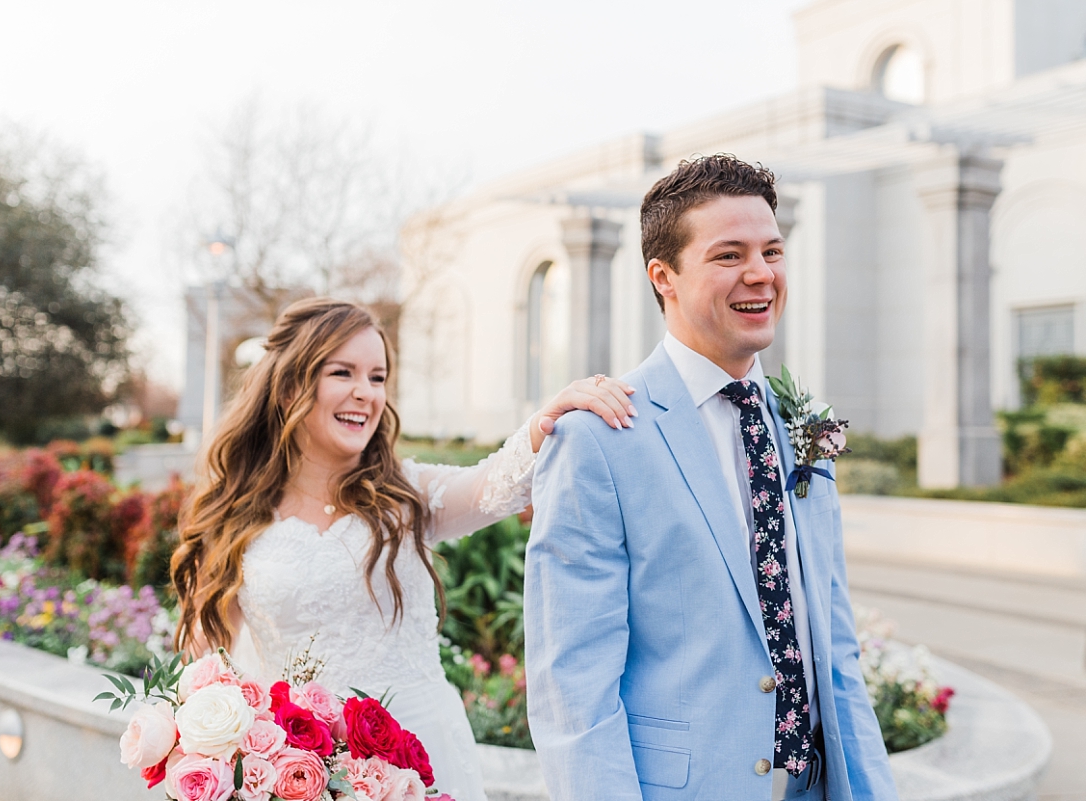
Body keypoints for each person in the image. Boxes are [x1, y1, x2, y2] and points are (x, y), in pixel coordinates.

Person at [524, 155, 897, 801]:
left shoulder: (806, 422)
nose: (761, 274)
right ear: (662, 276)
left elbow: (834, 642)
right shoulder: (595, 438)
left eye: (772, 250)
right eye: (729, 255)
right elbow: (572, 686)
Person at [169, 297, 635, 801]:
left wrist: (546, 420)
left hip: (422, 757)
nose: (365, 393)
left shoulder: (406, 497)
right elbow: (205, 669)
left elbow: (494, 484)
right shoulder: (233, 514)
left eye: (377, 377)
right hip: (299, 774)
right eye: (342, 372)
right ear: (288, 388)